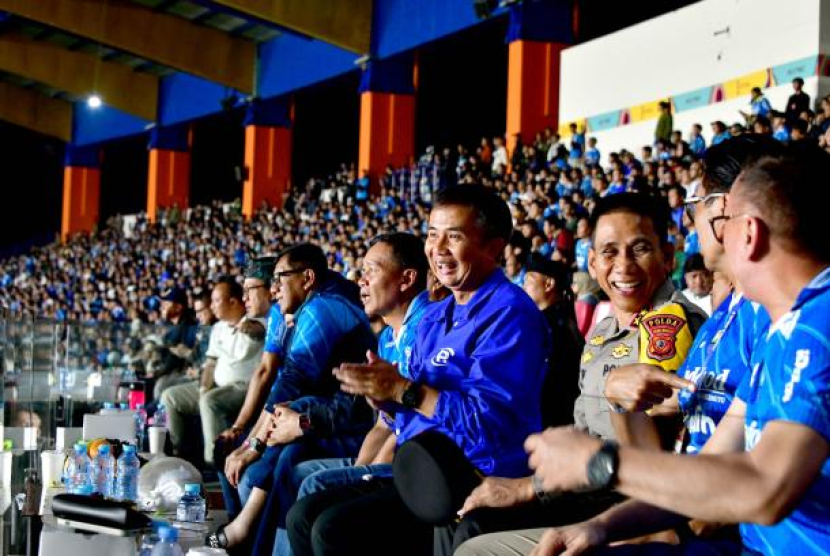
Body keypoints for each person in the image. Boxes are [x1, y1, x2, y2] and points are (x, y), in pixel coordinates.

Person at [516, 143, 830, 556]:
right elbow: (712, 469)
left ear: (749, 233)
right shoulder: (786, 327)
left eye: (726, 220)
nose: (711, 232)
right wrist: (599, 527)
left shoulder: (818, 323)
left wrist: (598, 460)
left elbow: (765, 489)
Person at [287, 184, 550, 556]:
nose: (438, 249)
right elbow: (407, 412)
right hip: (419, 470)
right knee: (303, 515)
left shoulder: (510, 314)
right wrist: (384, 398)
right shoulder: (436, 317)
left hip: (473, 476)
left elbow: (489, 423)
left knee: (332, 530)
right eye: (432, 234)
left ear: (493, 247)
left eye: (453, 236)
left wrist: (404, 391)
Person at [443, 194, 705, 556]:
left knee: (478, 534)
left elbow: (652, 461)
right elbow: (584, 431)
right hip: (589, 487)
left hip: (636, 504)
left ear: (668, 256)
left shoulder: (669, 325)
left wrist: (528, 489)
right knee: (467, 515)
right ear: (593, 263)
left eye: (640, 248)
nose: (624, 266)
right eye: (610, 252)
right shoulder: (603, 331)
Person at [208, 244, 375, 554]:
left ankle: (246, 531)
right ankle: (245, 532)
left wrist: (252, 446)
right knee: (258, 441)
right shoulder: (311, 303)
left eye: (279, 279)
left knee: (283, 449)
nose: (274, 290)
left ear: (307, 277)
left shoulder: (324, 307)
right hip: (326, 413)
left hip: (344, 419)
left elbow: (288, 381)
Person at [281, 232, 431, 556]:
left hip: (417, 465)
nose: (360, 280)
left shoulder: (426, 328)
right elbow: (384, 424)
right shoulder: (388, 339)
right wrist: (358, 474)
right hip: (383, 453)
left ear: (406, 278)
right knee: (297, 471)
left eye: (371, 271)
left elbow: (410, 425)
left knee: (313, 489)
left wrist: (358, 477)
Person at [161, 277, 266, 464]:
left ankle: (215, 463)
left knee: (210, 401)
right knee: (170, 396)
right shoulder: (218, 327)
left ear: (233, 301)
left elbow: (258, 332)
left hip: (244, 388)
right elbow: (210, 364)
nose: (212, 305)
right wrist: (203, 389)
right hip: (217, 385)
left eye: (217, 300)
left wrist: (245, 327)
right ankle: (177, 455)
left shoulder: (256, 320)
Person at [214, 256, 281, 519]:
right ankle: (234, 523)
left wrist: (245, 432)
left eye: (250, 289)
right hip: (270, 412)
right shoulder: (277, 315)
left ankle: (246, 536)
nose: (244, 298)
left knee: (249, 472)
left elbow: (266, 375)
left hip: (288, 418)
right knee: (224, 447)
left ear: (272, 288)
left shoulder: (278, 317)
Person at [523, 253, 584, 428]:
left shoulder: (547, 325)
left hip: (550, 420)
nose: (523, 286)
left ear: (549, 284)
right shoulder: (558, 318)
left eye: (529, 280)